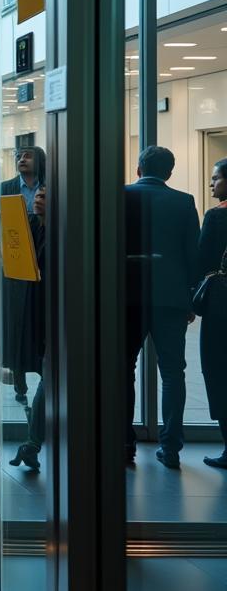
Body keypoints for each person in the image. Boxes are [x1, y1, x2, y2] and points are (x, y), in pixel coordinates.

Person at [124, 145, 200, 469]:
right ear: (170, 173)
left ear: (139, 169)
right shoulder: (184, 202)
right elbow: (192, 255)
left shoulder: (121, 196)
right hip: (170, 298)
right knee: (173, 373)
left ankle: (123, 445)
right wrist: (190, 299)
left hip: (126, 298)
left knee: (122, 370)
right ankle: (170, 448)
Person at [0, 146, 46, 405]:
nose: (21, 159)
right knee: (16, 321)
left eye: (27, 155)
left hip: (44, 261)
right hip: (15, 264)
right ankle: (19, 383)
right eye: (19, 155)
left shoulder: (50, 186)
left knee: (38, 321)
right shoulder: (6, 187)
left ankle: (42, 377)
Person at [10, 186, 47, 472]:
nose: (37, 199)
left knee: (50, 377)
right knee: (49, 376)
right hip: (34, 308)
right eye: (37, 196)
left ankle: (33, 442)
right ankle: (33, 442)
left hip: (55, 310)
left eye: (44, 196)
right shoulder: (31, 227)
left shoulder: (61, 230)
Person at [197, 158, 227, 469]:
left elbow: (203, 259)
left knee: (218, 371)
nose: (211, 184)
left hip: (221, 306)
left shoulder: (216, 217)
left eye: (216, 178)